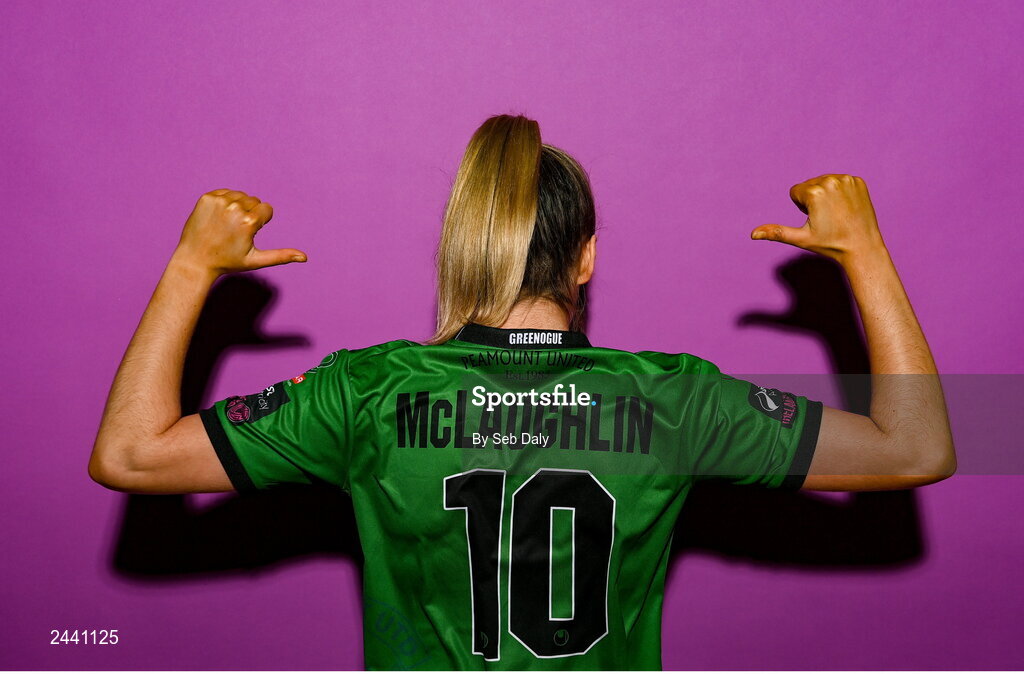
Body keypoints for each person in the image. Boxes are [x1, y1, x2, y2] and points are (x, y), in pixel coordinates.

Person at [89, 114, 956, 670]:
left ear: (462, 249)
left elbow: (129, 455)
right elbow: (918, 448)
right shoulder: (675, 399)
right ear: (587, 258)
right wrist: (865, 254)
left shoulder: (366, 392)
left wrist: (192, 267)